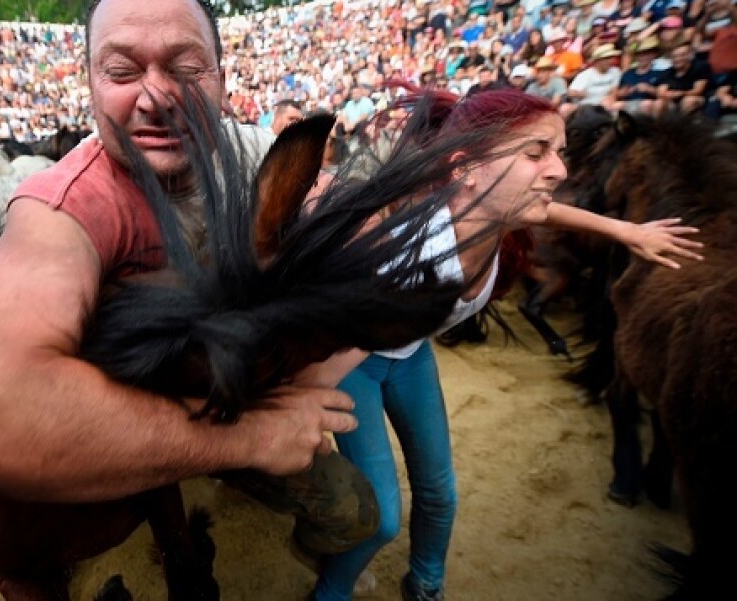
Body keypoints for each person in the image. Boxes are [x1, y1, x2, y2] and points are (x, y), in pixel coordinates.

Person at [0, 0, 373, 566]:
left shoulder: (249, 152)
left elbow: (357, 231)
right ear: (89, 84)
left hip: (241, 381)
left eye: (186, 69)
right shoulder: (70, 206)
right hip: (158, 415)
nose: (157, 95)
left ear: (221, 80)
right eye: (121, 70)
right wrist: (251, 437)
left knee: (353, 512)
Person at [299, 88, 705, 601]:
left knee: (440, 494)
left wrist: (627, 230)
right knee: (380, 519)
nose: (558, 171)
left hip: (411, 357)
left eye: (558, 152)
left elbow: (551, 212)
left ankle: (426, 584)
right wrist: (300, 415)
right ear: (465, 168)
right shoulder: (409, 256)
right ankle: (330, 592)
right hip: (357, 365)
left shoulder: (491, 206)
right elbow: (333, 352)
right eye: (535, 154)